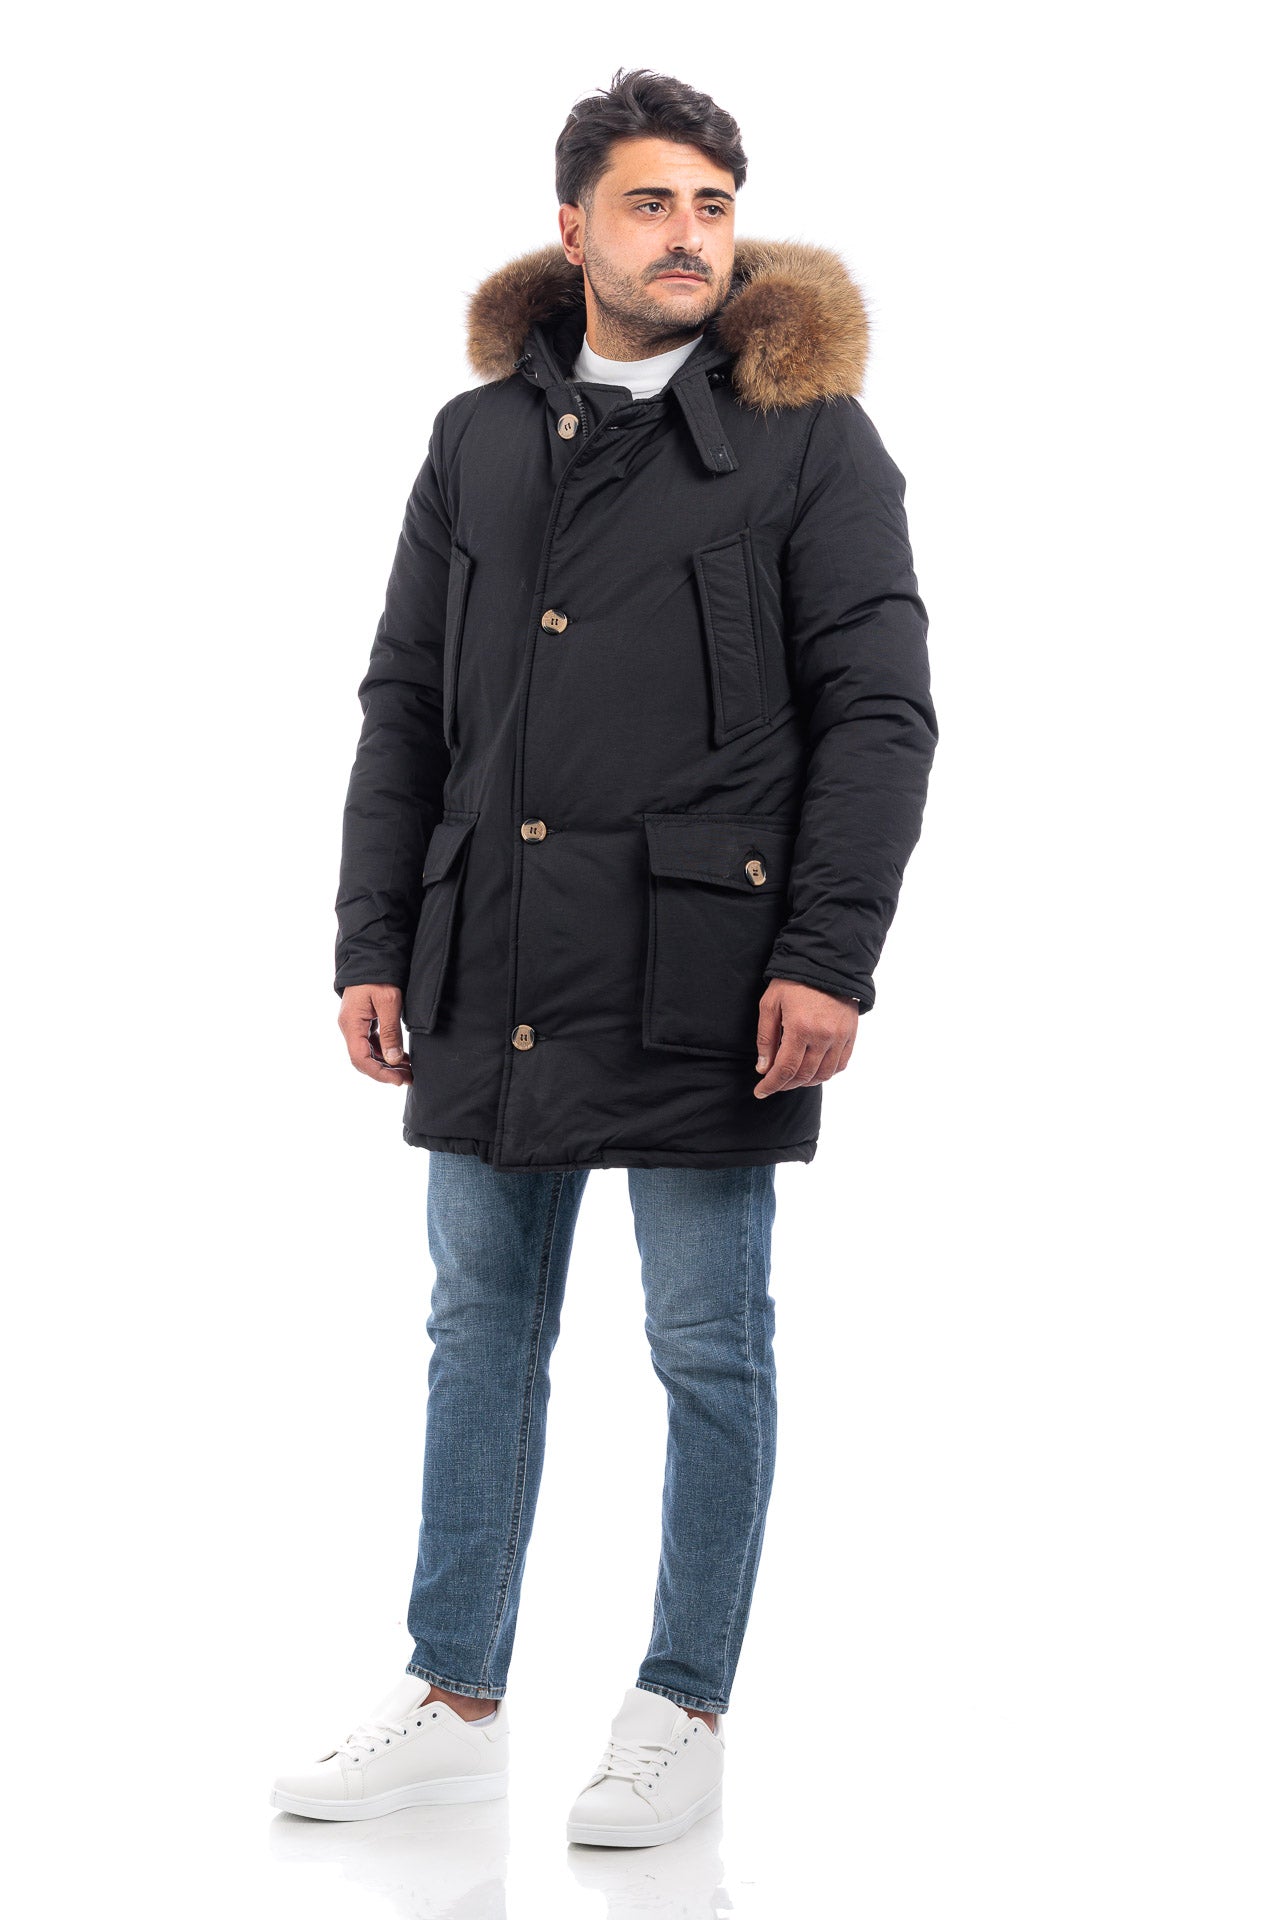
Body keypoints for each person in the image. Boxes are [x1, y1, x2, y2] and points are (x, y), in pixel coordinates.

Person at [271, 66, 938, 1847]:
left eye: (714, 205)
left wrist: (833, 956)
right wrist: (371, 934)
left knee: (708, 1342)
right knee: (476, 1330)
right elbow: (406, 700)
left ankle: (680, 1705)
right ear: (574, 228)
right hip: (490, 954)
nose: (690, 236)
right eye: (653, 204)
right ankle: (453, 1694)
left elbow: (880, 713)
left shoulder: (812, 438)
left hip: (707, 967)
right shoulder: (477, 437)